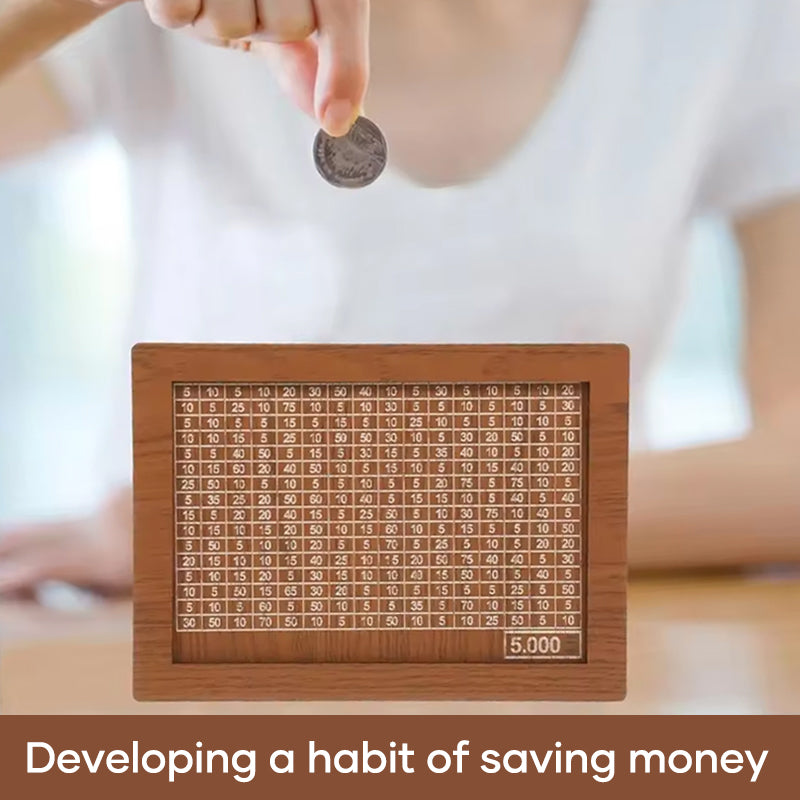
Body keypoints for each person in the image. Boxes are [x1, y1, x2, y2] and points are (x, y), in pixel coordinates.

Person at [0, 0, 799, 597]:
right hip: (179, 658)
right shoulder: (159, 22)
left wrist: (264, 519)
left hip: (556, 643)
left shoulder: (736, 19)